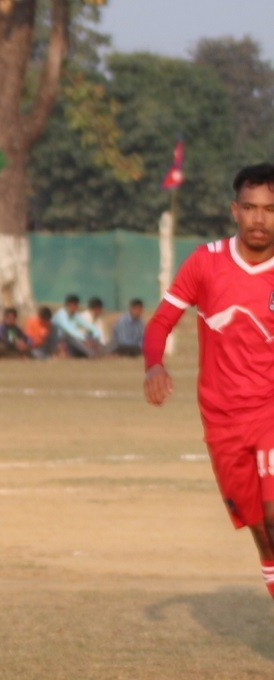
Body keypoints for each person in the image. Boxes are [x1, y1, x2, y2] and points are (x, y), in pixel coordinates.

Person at [143, 163, 274, 604]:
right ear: (234, 210)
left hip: (270, 411)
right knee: (260, 531)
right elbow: (161, 322)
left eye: (270, 210)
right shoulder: (206, 261)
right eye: (251, 208)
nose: (260, 219)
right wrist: (153, 365)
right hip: (221, 421)